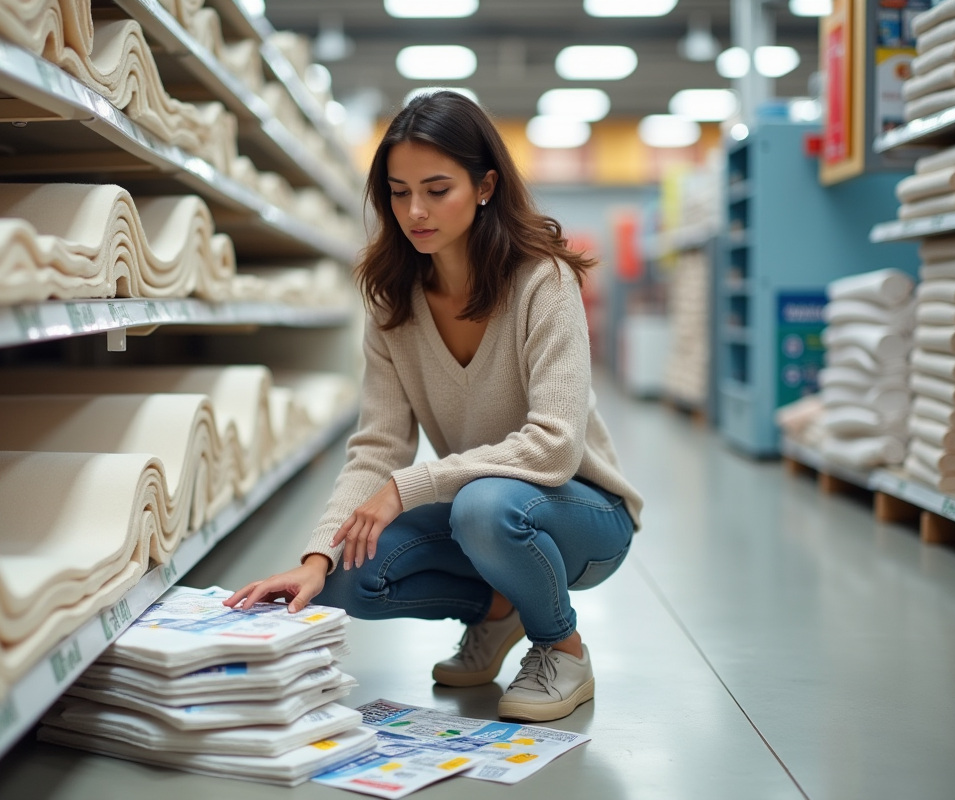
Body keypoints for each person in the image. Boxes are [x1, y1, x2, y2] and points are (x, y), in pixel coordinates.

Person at [226, 91, 643, 722]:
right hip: (485, 508)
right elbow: (378, 446)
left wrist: (410, 486)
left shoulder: (543, 281)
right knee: (347, 574)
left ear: (485, 187)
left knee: (483, 505)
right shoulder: (393, 301)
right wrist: (315, 558)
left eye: (437, 189)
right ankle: (498, 609)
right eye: (398, 193)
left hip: (583, 514)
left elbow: (556, 446)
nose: (414, 211)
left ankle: (562, 646)